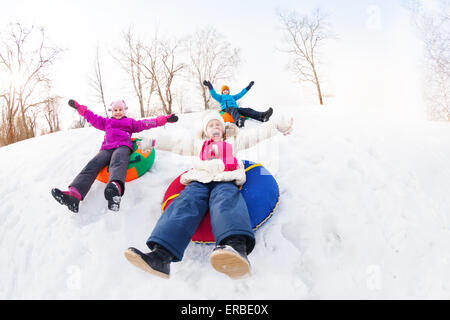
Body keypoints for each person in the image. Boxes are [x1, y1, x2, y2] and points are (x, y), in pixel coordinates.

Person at [124, 111, 293, 279]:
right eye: (211, 125)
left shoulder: (232, 141)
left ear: (224, 129)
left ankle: (236, 246)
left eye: (218, 124)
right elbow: (175, 143)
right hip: (200, 180)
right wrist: (153, 141)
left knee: (226, 201)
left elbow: (255, 135)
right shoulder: (198, 145)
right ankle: (161, 256)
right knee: (185, 204)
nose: (215, 127)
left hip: (225, 178)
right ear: (205, 131)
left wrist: (276, 126)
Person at [51, 99, 178, 213]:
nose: (118, 112)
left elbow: (147, 123)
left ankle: (115, 190)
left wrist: (165, 119)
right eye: (115, 110)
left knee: (118, 161)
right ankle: (74, 195)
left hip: (123, 147)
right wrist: (79, 108)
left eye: (120, 110)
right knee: (92, 164)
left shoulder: (130, 122)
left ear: (124, 110)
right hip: (106, 149)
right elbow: (92, 117)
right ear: (112, 111)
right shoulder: (106, 122)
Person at [203, 80, 273, 128]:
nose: (225, 91)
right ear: (222, 92)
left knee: (247, 110)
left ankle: (263, 116)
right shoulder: (221, 97)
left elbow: (240, 94)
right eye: (224, 90)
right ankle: (238, 121)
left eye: (227, 90)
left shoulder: (232, 97)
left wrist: (248, 87)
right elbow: (214, 94)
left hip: (235, 108)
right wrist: (210, 86)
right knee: (233, 109)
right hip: (227, 109)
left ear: (228, 91)